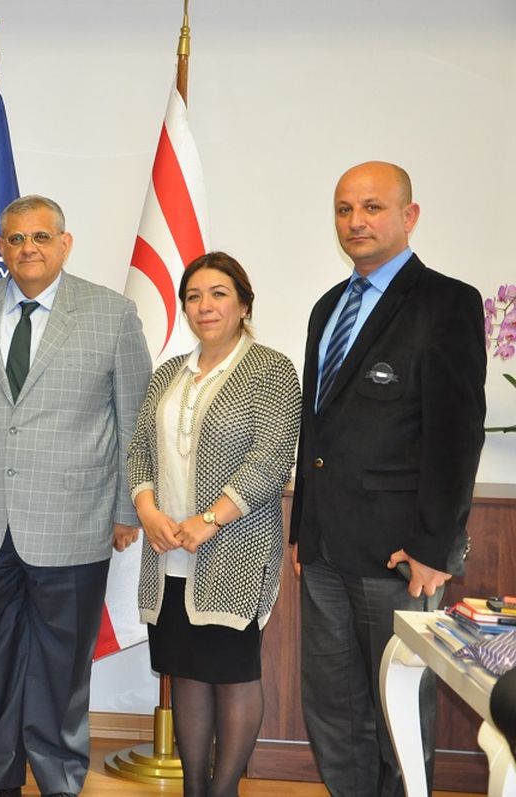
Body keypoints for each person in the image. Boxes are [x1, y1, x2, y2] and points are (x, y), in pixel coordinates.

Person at [0, 194, 152, 797]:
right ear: (0, 247)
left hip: (73, 519)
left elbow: (134, 421)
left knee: (62, 663)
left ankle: (59, 780)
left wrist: (126, 508)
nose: (27, 248)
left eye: (40, 237)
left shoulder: (111, 313)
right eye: (15, 239)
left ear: (65, 243)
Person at [291, 161, 486, 796]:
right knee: (334, 707)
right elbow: (316, 429)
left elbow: (457, 436)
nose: (356, 221)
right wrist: (302, 530)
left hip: (400, 556)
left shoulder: (446, 303)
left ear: (409, 216)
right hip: (324, 550)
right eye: (344, 209)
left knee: (397, 708)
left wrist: (436, 548)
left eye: (372, 207)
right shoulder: (328, 307)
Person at [126, 252, 300, 797]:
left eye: (219, 294)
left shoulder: (271, 371)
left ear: (244, 304)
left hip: (235, 552)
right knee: (186, 672)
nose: (205, 306)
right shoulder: (167, 374)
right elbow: (139, 450)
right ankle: (193, 790)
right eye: (194, 296)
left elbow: (271, 458)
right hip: (168, 555)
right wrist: (148, 510)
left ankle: (224, 791)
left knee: (233, 674)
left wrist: (210, 519)